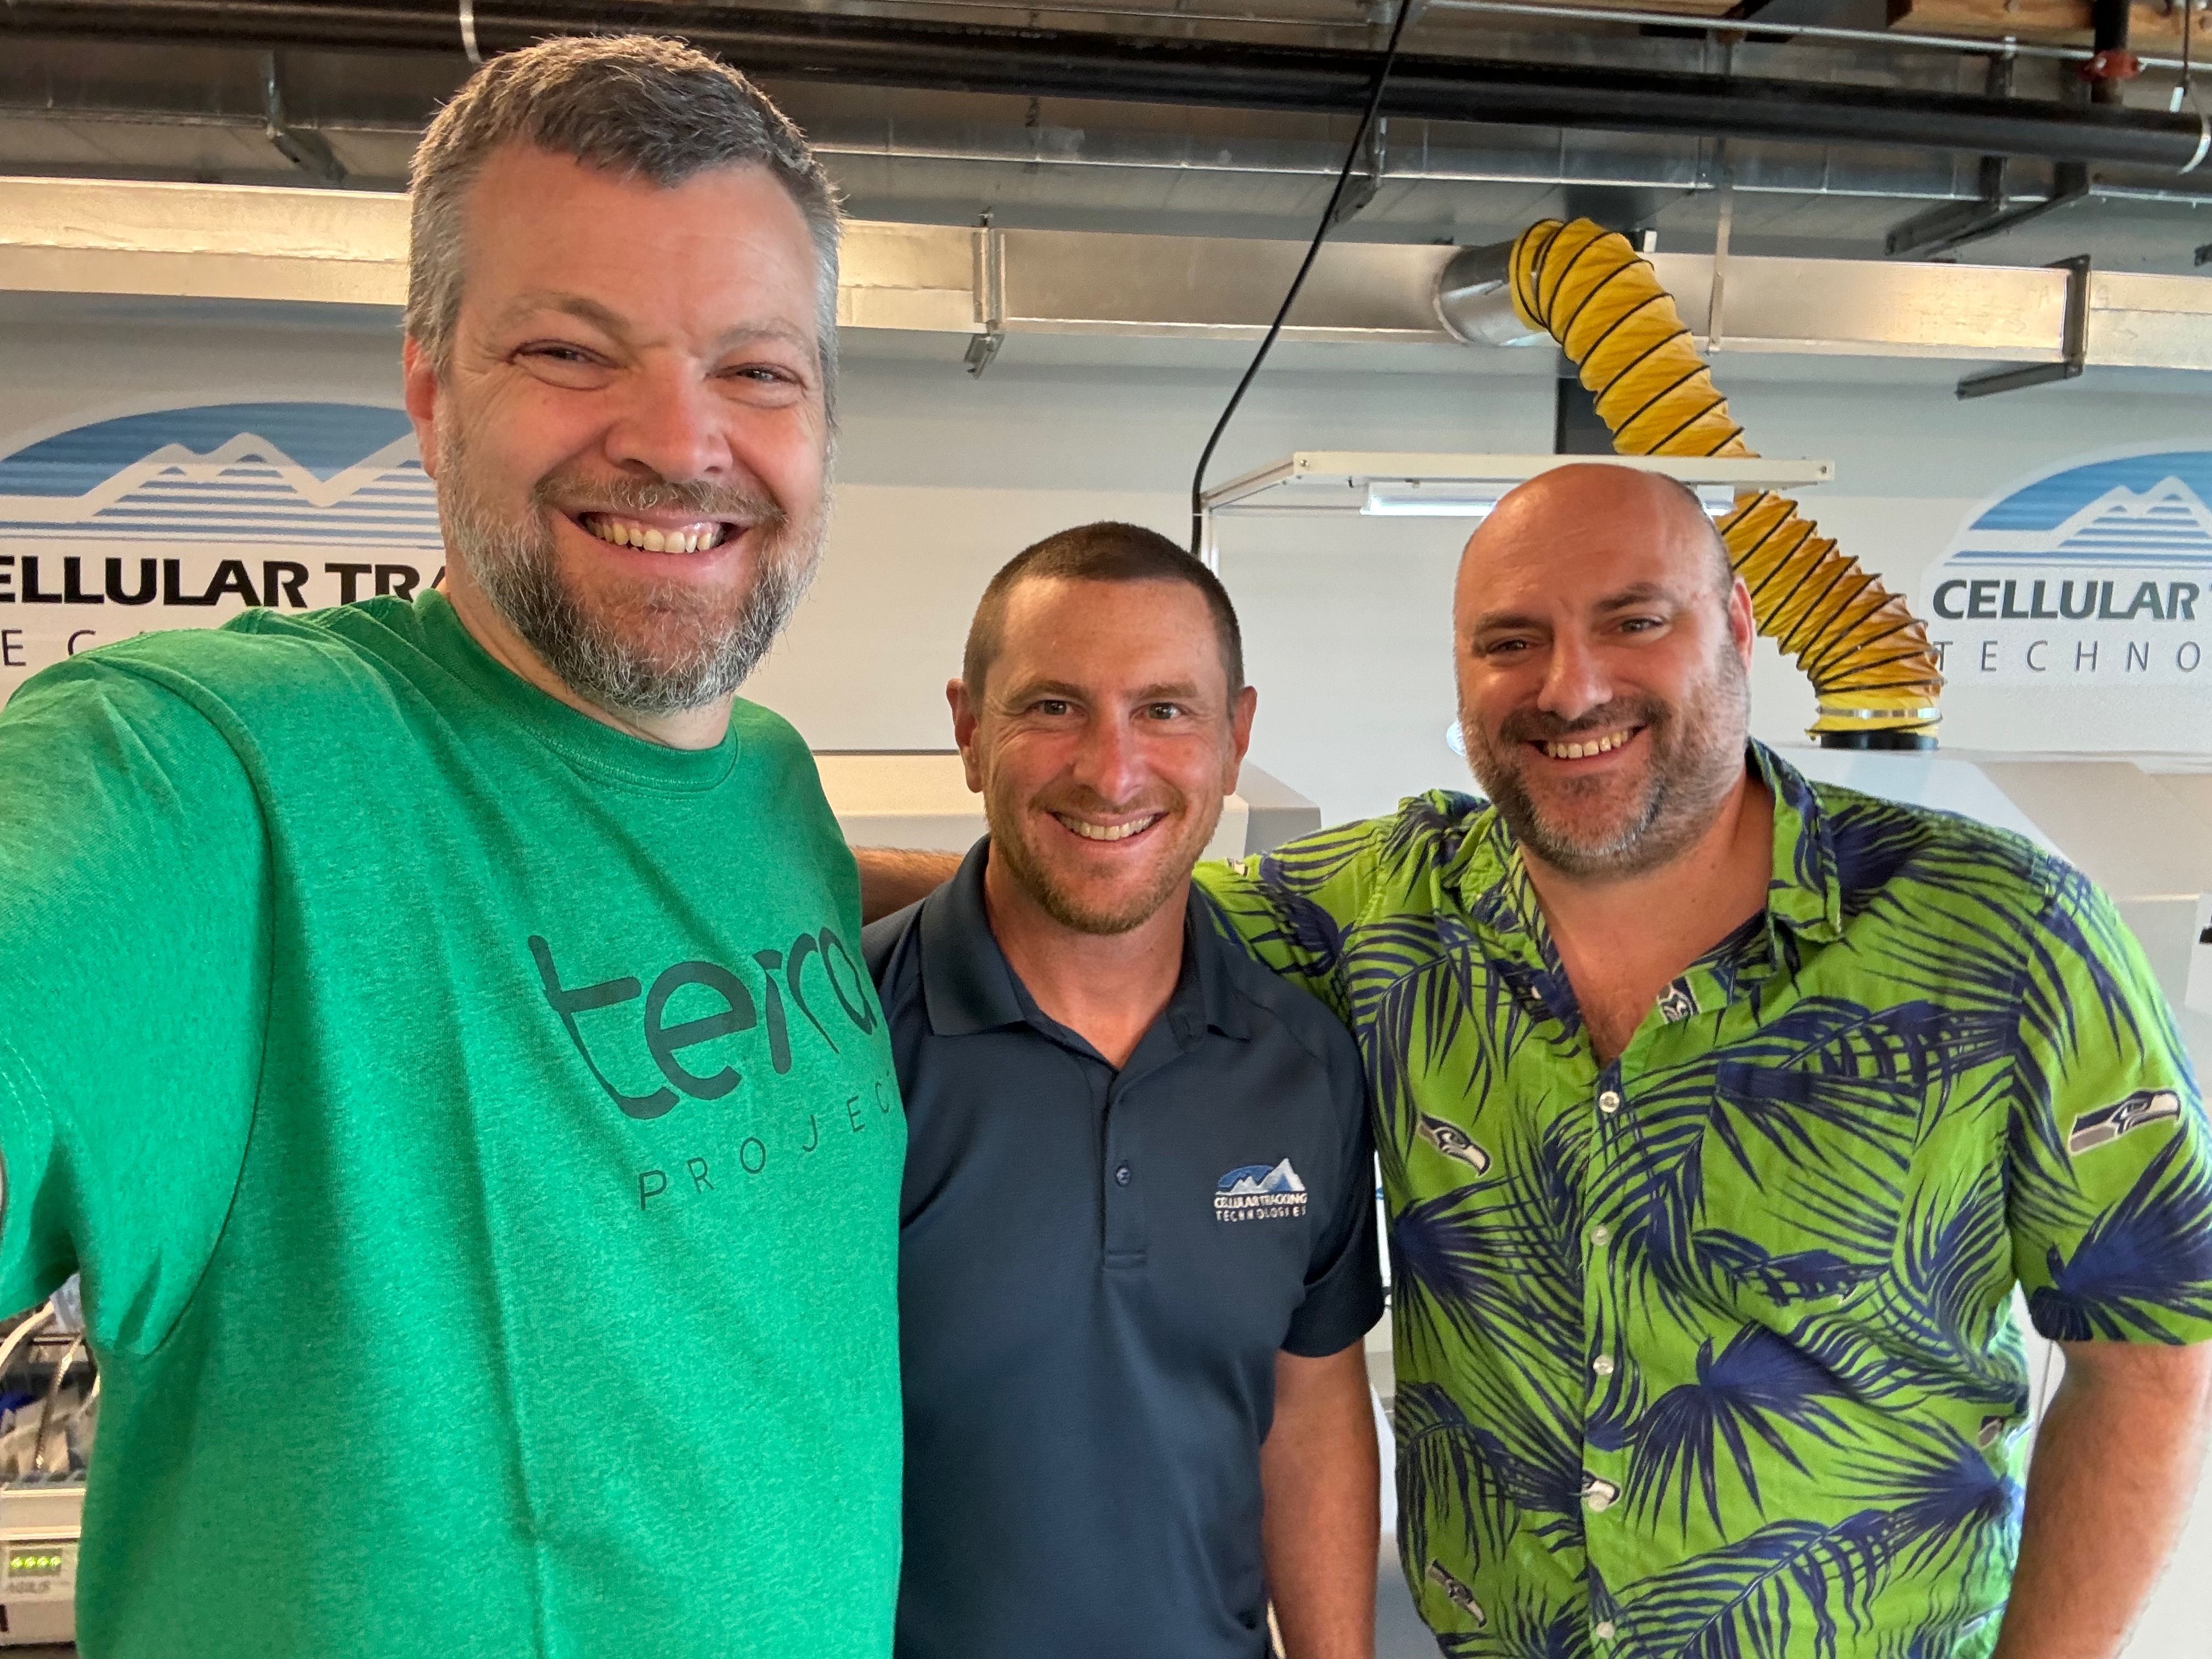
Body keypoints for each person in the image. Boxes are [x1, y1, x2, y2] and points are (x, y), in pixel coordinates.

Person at [858, 466, 2212, 1658]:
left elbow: (2150, 1362)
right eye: (1513, 641)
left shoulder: (2002, 935)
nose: (1571, 688)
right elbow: (1109, 882)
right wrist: (774, 896)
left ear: (1739, 629)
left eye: (1635, 621)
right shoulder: (1390, 912)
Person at [0, 37, 904, 1659]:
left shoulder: (772, 789)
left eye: (758, 369)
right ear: (430, 392)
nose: (680, 439)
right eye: (570, 350)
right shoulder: (203, 776)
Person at [865, 523, 1384, 1659]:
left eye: (1165, 710)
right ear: (969, 729)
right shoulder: (843, 1046)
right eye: (1054, 707)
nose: (1112, 771)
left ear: (1236, 738)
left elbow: (1309, 1411)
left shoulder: (1303, 1063)